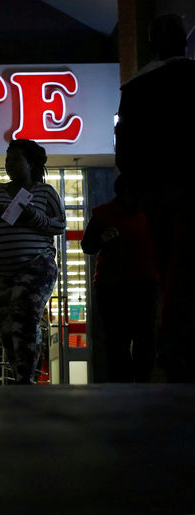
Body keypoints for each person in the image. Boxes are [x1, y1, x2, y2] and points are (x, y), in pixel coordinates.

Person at [114, 13, 195, 382]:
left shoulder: (137, 87)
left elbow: (125, 145)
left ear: (152, 43)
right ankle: (178, 347)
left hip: (158, 190)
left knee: (169, 267)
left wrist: (135, 186)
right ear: (184, 40)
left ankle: (175, 349)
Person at [0, 139, 65, 384]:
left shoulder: (45, 192)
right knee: (7, 327)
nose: (9, 164)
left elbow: (59, 224)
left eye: (15, 159)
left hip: (35, 266)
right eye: (7, 159)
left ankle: (26, 378)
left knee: (25, 320)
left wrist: (32, 214)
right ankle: (21, 375)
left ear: (30, 163)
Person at [81, 175, 159, 382]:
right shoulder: (103, 214)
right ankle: (124, 383)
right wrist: (102, 239)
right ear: (125, 192)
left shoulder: (151, 213)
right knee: (118, 339)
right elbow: (87, 245)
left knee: (144, 337)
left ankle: (140, 382)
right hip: (113, 286)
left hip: (144, 283)